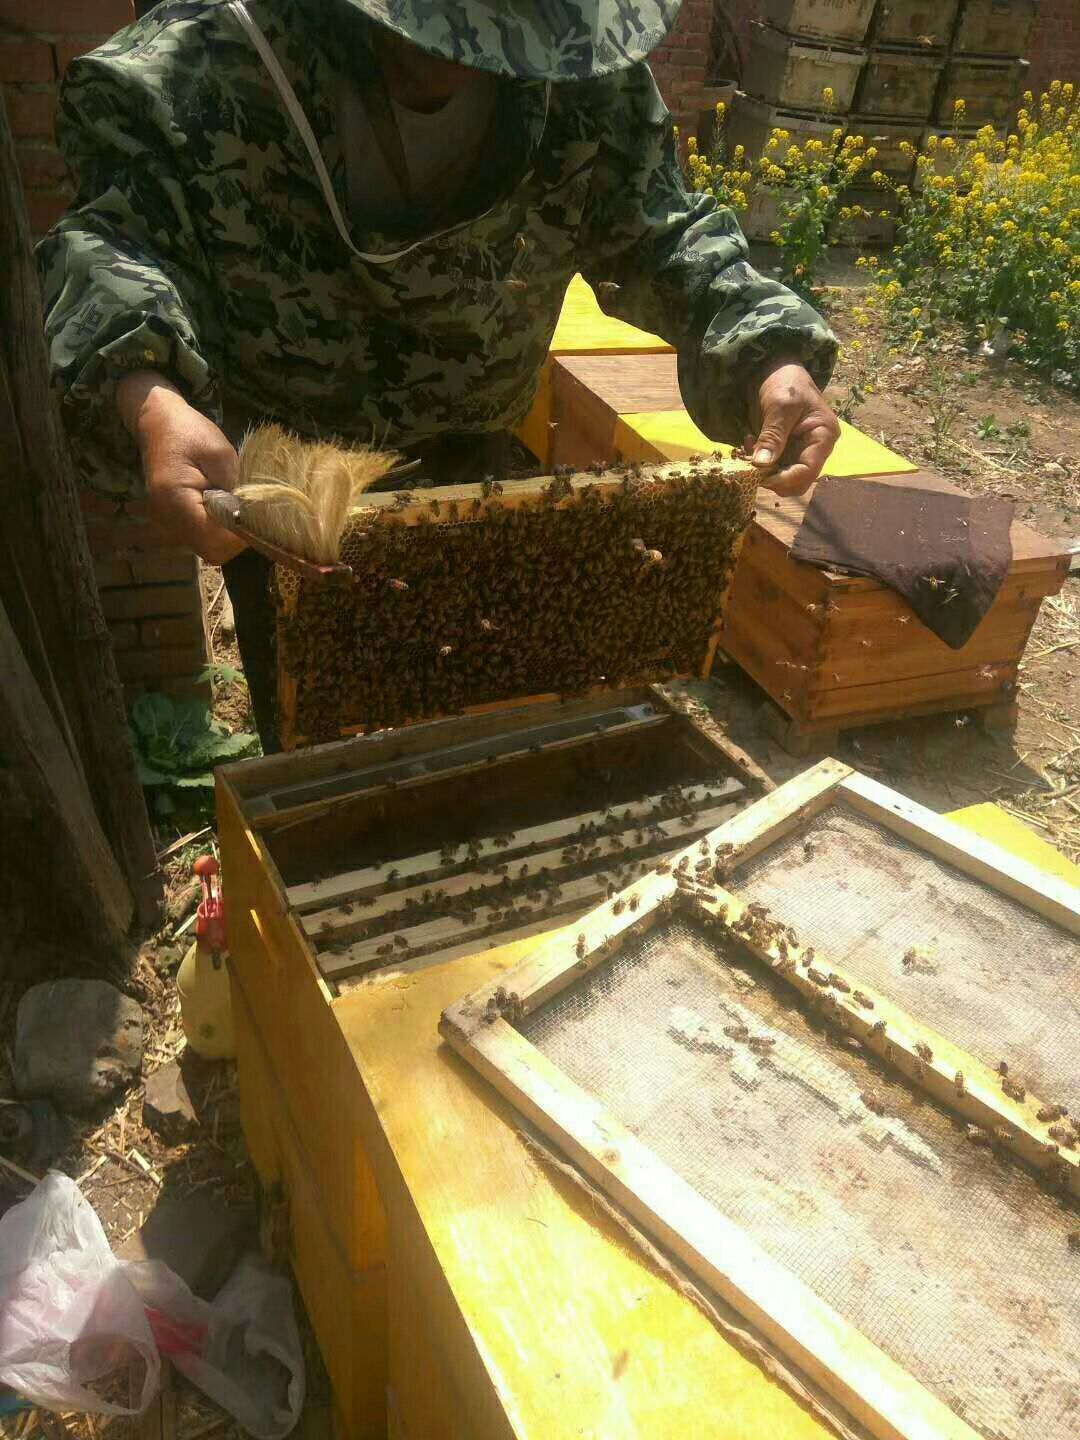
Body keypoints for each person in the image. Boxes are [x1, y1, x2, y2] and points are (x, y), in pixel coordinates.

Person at [38, 0, 840, 749]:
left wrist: (768, 350)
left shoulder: (580, 73)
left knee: (469, 720)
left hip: (472, 462)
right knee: (319, 752)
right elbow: (117, 244)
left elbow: (660, 230)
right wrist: (151, 401)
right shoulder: (197, 68)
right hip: (288, 493)